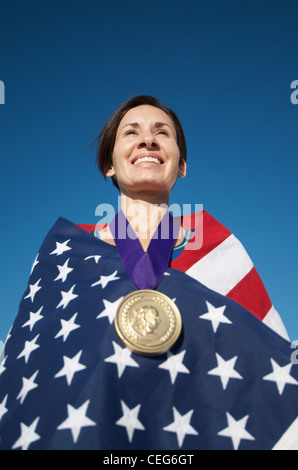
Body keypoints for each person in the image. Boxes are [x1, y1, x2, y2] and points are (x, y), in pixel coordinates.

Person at [0, 95, 297, 450]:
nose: (148, 140)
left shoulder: (216, 247)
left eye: (162, 133)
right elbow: (27, 368)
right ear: (109, 164)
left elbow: (266, 369)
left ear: (181, 164)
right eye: (131, 132)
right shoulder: (66, 253)